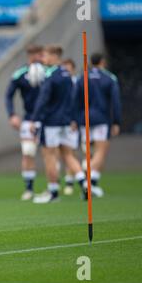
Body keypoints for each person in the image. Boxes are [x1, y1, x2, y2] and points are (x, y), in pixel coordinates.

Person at [30, 45, 87, 203]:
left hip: (51, 123)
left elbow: (43, 99)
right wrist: (73, 119)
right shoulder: (67, 75)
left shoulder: (51, 75)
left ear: (55, 56)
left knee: (49, 156)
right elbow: (73, 100)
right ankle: (84, 182)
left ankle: (53, 192)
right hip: (67, 122)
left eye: (46, 55)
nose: (43, 58)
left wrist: (34, 119)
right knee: (67, 154)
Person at [73, 53, 122, 197]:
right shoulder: (109, 78)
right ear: (103, 62)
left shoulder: (82, 77)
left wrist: (74, 119)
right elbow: (116, 102)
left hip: (84, 120)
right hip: (101, 119)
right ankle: (87, 181)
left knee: (88, 153)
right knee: (101, 152)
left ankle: (91, 184)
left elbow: (74, 99)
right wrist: (116, 121)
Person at [5, 44, 44, 201]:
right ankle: (29, 188)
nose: (38, 58)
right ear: (30, 56)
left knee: (55, 153)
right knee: (28, 152)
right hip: (29, 119)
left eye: (40, 55)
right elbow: (9, 95)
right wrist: (12, 114)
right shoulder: (20, 74)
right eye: (35, 55)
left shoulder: (49, 72)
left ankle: (59, 186)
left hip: (50, 119)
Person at [61, 58, 78, 195]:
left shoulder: (77, 83)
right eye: (64, 67)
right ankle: (58, 184)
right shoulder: (60, 82)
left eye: (68, 67)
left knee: (70, 153)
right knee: (56, 153)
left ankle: (70, 181)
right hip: (59, 122)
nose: (66, 70)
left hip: (73, 123)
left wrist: (75, 119)